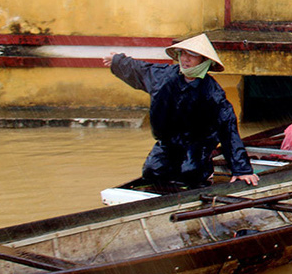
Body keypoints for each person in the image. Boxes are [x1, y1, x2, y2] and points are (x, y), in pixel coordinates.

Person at [103, 34, 259, 189]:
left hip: (198, 143)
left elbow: (228, 131)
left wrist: (242, 169)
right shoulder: (164, 76)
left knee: (190, 172)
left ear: (204, 61)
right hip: (169, 141)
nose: (186, 59)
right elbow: (140, 70)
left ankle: (206, 171)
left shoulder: (213, 94)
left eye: (193, 56)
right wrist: (117, 61)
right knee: (152, 171)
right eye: (183, 54)